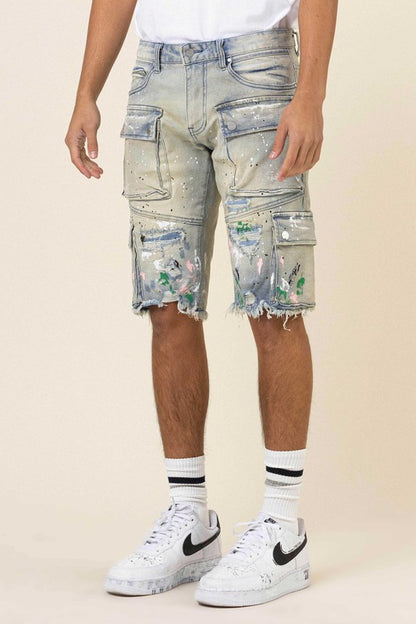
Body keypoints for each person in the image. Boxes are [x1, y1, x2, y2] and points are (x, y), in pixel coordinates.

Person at [65, 0, 338, 608]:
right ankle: (190, 521)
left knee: (274, 300)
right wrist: (87, 91)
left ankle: (282, 528)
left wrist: (311, 94)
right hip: (155, 79)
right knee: (167, 304)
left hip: (258, 74)